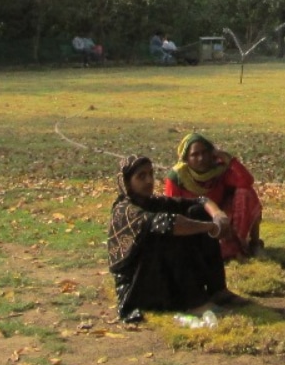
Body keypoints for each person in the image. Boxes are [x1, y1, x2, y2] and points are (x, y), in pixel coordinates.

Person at [106, 154, 241, 321]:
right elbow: (170, 224)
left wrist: (218, 215)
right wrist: (211, 227)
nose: (149, 180)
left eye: (151, 174)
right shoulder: (125, 210)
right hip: (137, 287)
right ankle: (195, 303)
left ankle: (217, 290)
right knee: (166, 233)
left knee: (197, 213)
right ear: (126, 182)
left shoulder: (151, 202)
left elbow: (200, 201)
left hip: (158, 276)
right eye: (141, 176)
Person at [163, 133, 263, 261]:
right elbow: (172, 210)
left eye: (205, 152)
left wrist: (228, 159)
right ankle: (231, 249)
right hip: (193, 226)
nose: (201, 158)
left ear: (212, 153)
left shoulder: (219, 170)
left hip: (222, 221)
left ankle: (252, 244)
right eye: (195, 155)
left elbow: (246, 181)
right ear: (186, 159)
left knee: (246, 193)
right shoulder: (177, 177)